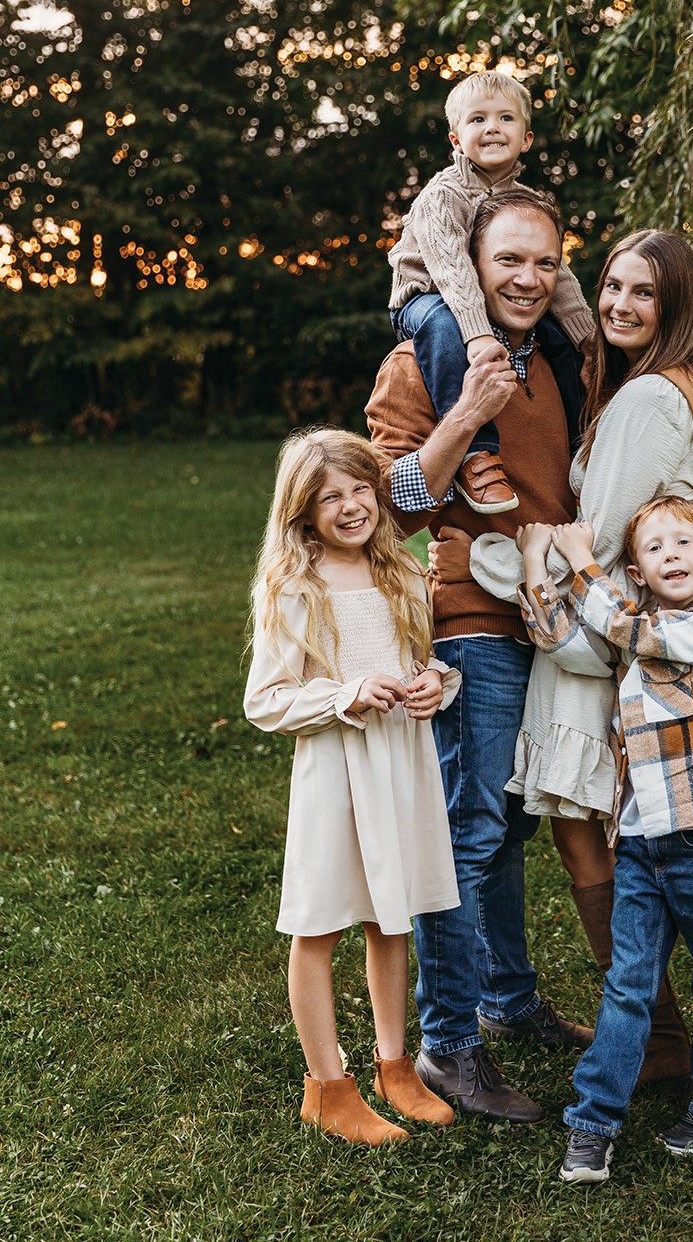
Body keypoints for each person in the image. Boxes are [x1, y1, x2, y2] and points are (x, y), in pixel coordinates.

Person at [440, 228, 693, 1086]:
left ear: (677, 308)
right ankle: (681, 1036)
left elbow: (600, 539)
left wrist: (517, 553)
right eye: (612, 286)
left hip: (605, 638)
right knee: (632, 832)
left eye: (643, 294)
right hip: (630, 638)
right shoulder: (677, 388)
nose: (620, 305)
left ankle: (681, 1038)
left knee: (604, 837)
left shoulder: (646, 402)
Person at [366, 188, 593, 1124]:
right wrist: (469, 413)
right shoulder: (421, 358)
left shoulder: (565, 365)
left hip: (554, 615)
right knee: (468, 831)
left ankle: (508, 997)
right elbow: (394, 504)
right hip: (468, 618)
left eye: (545, 262)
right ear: (472, 262)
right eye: (510, 261)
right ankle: (450, 1047)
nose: (529, 279)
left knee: (511, 825)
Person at [516, 501, 693, 1183]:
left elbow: (619, 623)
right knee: (627, 987)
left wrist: (583, 562)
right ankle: (593, 1126)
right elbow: (567, 640)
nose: (673, 553)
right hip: (642, 845)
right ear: (640, 571)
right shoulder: (632, 631)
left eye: (686, 542)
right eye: (655, 547)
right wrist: (538, 562)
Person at [244, 428, 461, 1145]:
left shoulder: (397, 571)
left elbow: (419, 660)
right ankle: (326, 1087)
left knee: (389, 917)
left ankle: (395, 1067)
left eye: (361, 489)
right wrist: (343, 694)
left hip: (399, 762)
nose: (350, 506)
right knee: (320, 924)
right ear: (303, 514)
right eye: (329, 497)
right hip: (337, 771)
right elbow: (266, 699)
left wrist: (434, 683)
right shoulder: (296, 587)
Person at [388, 69, 595, 514]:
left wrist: (588, 337)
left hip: (556, 563)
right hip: (426, 297)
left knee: (562, 342)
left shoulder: (527, 204)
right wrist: (479, 335)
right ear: (456, 140)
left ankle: (584, 443)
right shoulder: (441, 195)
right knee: (444, 324)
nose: (492, 128)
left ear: (526, 138)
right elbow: (453, 270)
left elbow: (560, 277)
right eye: (477, 119)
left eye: (505, 118)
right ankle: (477, 453)